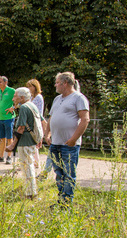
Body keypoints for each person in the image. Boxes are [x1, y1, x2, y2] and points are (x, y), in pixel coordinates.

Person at [45, 72, 90, 206]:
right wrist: (47, 134)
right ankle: (61, 199)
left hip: (69, 144)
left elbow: (85, 119)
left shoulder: (78, 98)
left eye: (57, 82)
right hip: (55, 143)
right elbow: (51, 117)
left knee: (68, 173)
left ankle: (66, 203)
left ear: (65, 83)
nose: (55, 85)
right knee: (58, 173)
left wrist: (74, 139)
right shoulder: (57, 99)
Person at [12, 87, 39, 199]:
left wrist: (13, 144)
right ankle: (31, 191)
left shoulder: (24, 107)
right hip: (31, 141)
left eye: (15, 96)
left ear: (22, 97)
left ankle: (30, 193)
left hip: (25, 141)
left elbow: (21, 127)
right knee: (29, 165)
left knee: (26, 166)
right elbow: (42, 121)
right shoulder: (32, 105)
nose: (13, 98)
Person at [0, 76, 16, 164]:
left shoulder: (12, 91)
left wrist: (13, 107)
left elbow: (19, 100)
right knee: (2, 138)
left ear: (5, 82)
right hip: (0, 118)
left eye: (0, 82)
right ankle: (1, 156)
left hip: (8, 118)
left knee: (9, 137)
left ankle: (9, 156)